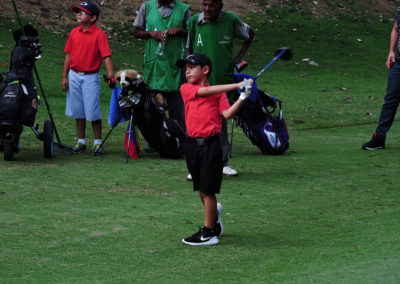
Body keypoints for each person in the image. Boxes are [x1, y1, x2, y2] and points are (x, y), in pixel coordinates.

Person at [177, 53, 252, 246]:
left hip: (211, 145)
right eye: (185, 68)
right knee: (201, 188)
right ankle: (214, 215)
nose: (187, 71)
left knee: (207, 190)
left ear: (205, 70)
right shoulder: (186, 89)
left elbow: (226, 114)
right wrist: (237, 85)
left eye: (191, 67)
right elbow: (204, 93)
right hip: (192, 145)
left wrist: (242, 97)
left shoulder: (218, 93)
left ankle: (209, 233)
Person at [186, 0, 255, 177]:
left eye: (212, 6)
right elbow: (189, 47)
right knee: (198, 121)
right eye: (205, 5)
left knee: (219, 121)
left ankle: (222, 162)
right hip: (199, 83)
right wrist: (189, 69)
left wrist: (238, 57)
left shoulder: (231, 21)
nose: (207, 9)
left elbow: (250, 34)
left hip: (221, 78)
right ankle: (197, 164)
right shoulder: (194, 21)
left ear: (220, 6)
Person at [62, 1, 115, 155]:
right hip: (74, 75)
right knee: (78, 110)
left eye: (83, 12)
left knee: (92, 111)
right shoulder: (73, 32)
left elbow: (106, 56)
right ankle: (81, 141)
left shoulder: (99, 34)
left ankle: (98, 143)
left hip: (91, 77)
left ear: (93, 18)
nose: (79, 14)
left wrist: (111, 75)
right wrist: (64, 76)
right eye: (78, 12)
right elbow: (68, 55)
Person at [133, 0, 190, 136]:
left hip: (174, 65)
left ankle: (179, 139)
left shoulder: (184, 9)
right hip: (154, 64)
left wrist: (179, 31)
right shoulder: (146, 7)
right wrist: (151, 33)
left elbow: (191, 33)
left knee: (176, 108)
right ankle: (156, 140)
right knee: (153, 108)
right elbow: (136, 32)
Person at [362, 6, 400, 150]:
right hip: (399, 63)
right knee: (390, 101)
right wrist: (391, 51)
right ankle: (379, 138)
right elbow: (396, 28)